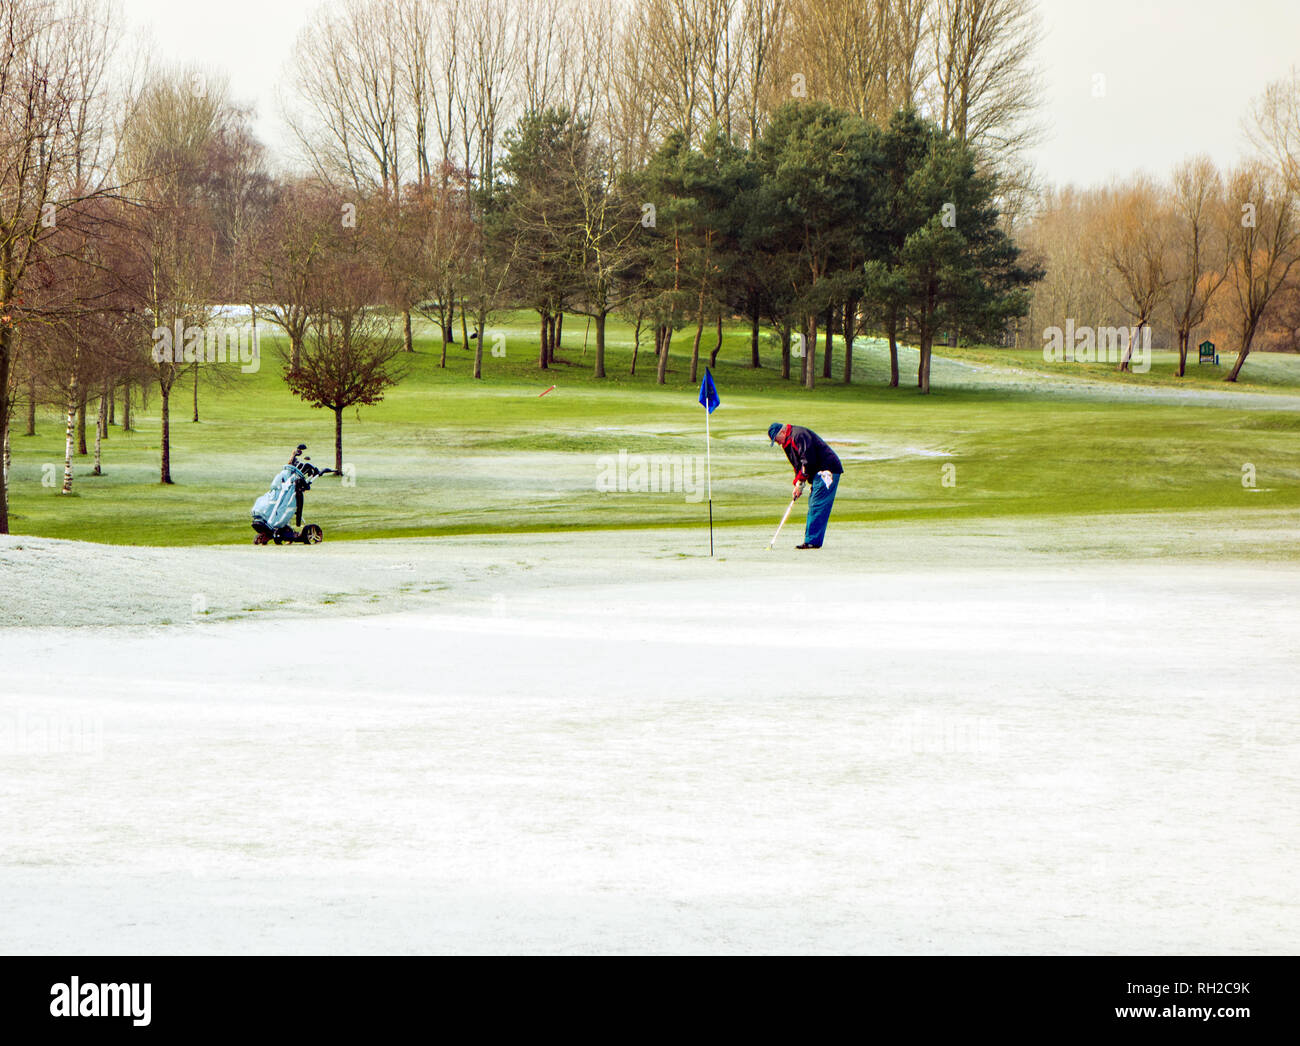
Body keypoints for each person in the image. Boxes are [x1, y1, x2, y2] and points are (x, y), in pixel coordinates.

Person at [768, 422, 843, 549]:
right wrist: (799, 484)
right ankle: (812, 540)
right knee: (814, 503)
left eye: (776, 439)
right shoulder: (787, 443)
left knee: (817, 504)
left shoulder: (799, 435)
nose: (778, 443)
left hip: (826, 470)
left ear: (782, 432)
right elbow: (798, 465)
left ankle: (812, 542)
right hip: (817, 472)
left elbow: (808, 460)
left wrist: (801, 483)